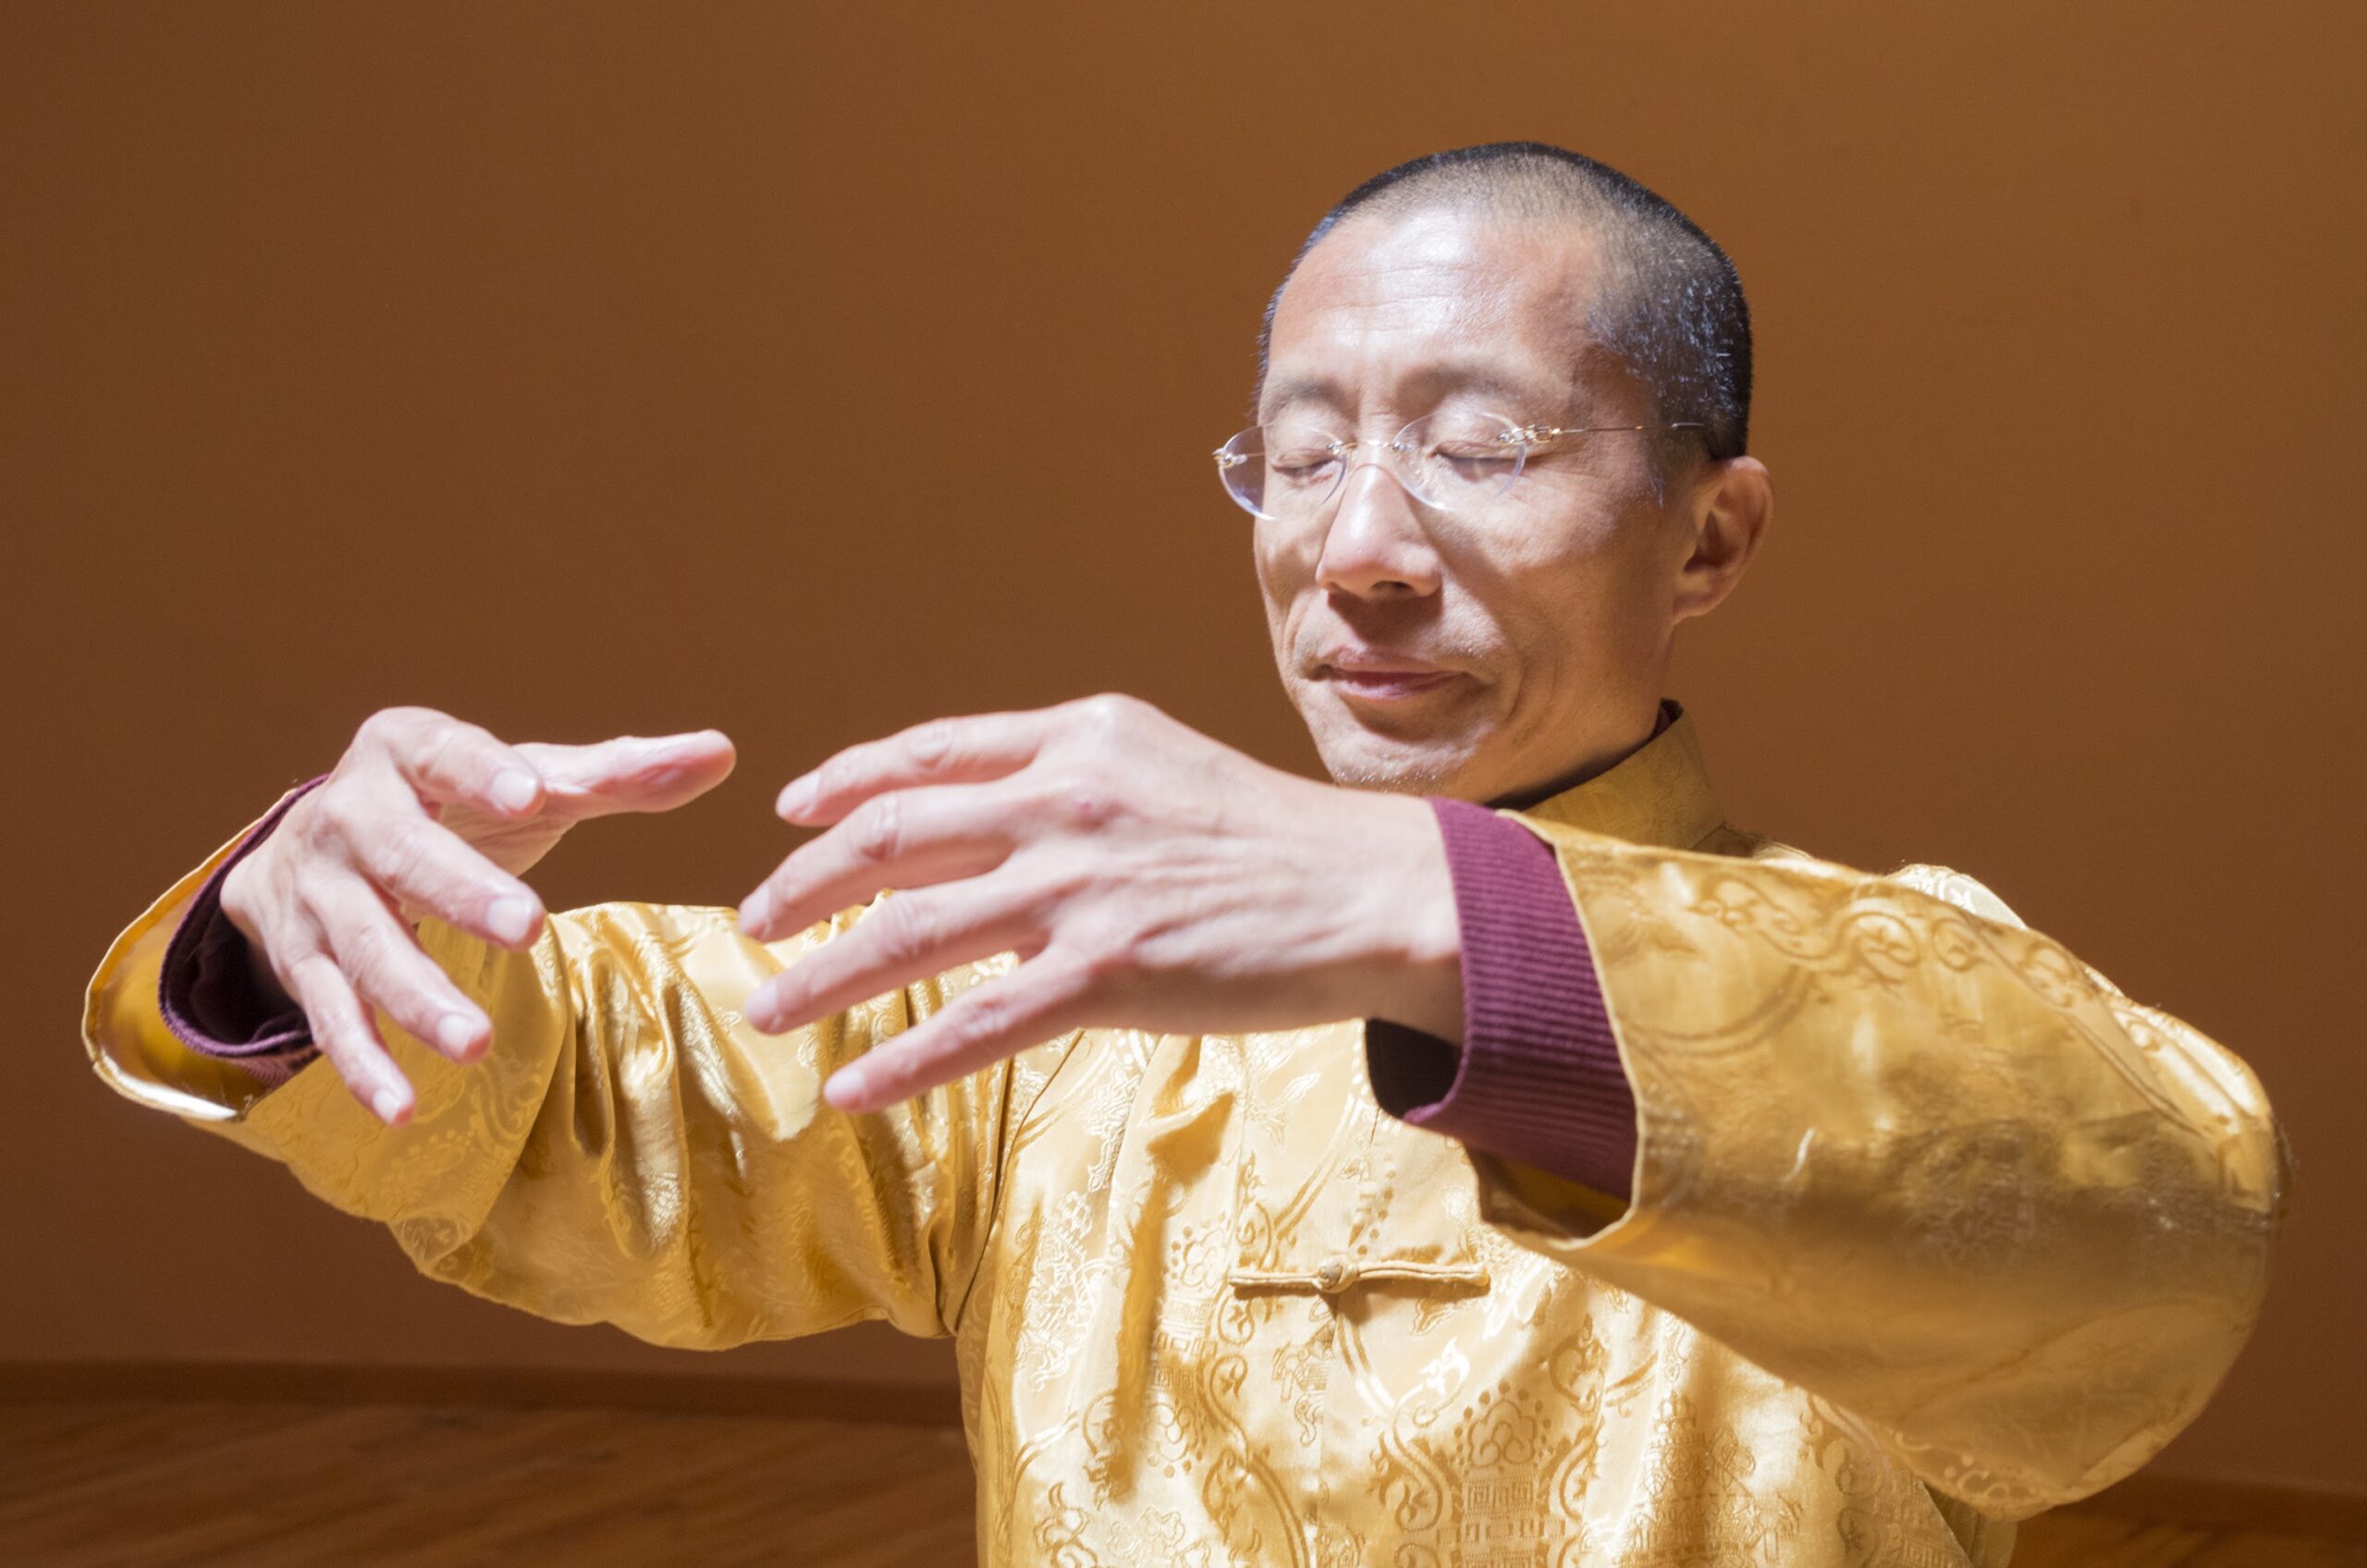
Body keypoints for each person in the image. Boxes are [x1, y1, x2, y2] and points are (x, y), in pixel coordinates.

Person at [83, 142, 2284, 1566]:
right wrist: (332, 922)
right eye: (1296, 457)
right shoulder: (1052, 982)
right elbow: (599, 1096)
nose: (1356, 548)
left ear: (1705, 537)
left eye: (1480, 444)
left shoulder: (1883, 978)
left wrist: (1431, 911)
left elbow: (2143, 1228)